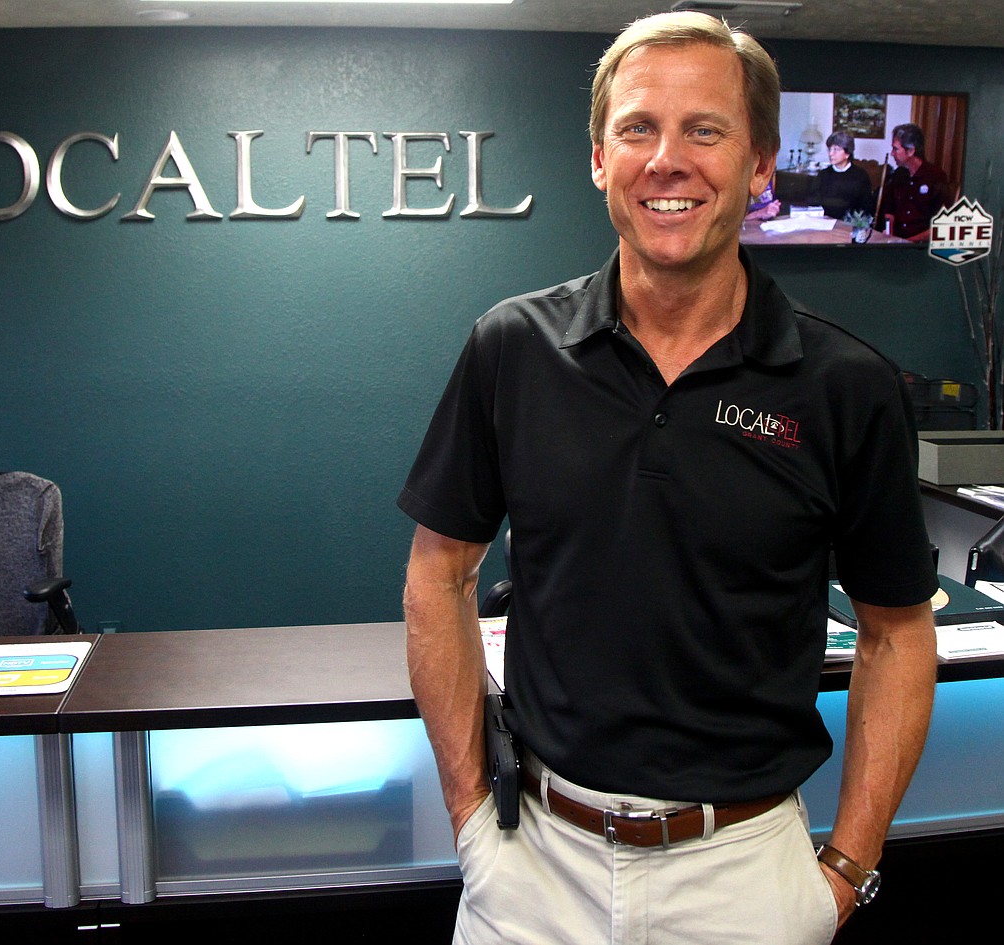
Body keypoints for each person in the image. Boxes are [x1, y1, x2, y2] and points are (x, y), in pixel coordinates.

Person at [399, 11, 937, 945]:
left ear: (759, 164)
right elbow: (436, 574)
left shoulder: (846, 386)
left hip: (745, 877)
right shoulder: (512, 347)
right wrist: (471, 819)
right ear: (599, 158)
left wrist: (846, 869)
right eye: (638, 128)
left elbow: (896, 633)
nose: (667, 160)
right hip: (534, 868)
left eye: (705, 130)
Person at [880, 122, 951, 241]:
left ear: (910, 151)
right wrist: (889, 232)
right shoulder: (898, 174)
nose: (892, 153)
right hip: (896, 241)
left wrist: (909, 242)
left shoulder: (936, 176)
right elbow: (889, 210)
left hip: (921, 244)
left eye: (895, 149)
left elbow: (941, 224)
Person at [812, 130, 875, 220]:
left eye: (836, 149)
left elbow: (865, 208)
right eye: (829, 149)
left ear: (847, 153)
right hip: (825, 222)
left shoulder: (860, 176)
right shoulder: (823, 175)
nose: (830, 154)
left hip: (849, 224)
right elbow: (814, 203)